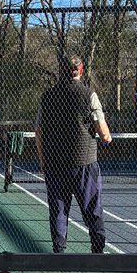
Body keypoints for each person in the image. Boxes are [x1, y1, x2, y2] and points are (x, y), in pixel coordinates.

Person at [34, 58, 112, 254]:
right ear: (80, 71)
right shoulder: (88, 95)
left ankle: (59, 251)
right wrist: (107, 137)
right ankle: (97, 248)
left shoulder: (48, 96)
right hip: (84, 161)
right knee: (92, 207)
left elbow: (39, 131)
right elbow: (103, 132)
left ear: (61, 71)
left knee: (58, 211)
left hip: (55, 163)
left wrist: (43, 162)